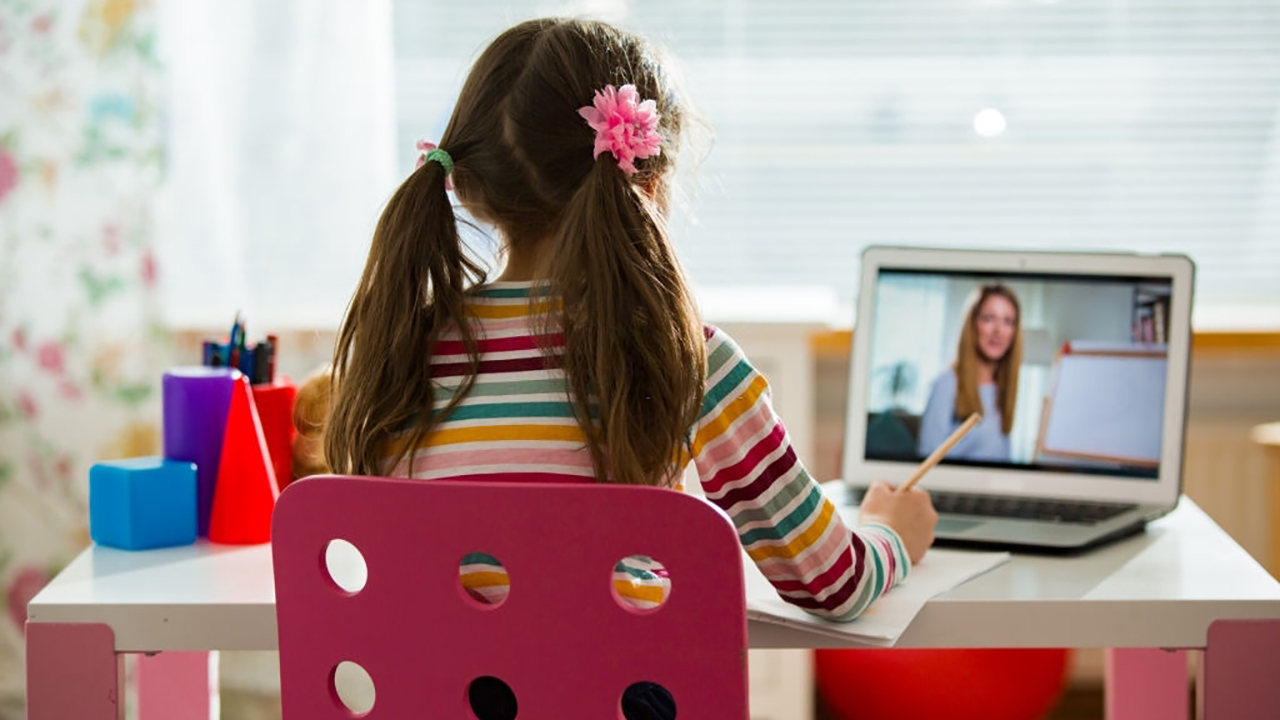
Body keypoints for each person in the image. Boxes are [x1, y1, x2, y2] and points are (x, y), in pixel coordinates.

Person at [305, 19, 937, 714]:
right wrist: (890, 534)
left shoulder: (400, 353)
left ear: (469, 185)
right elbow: (831, 584)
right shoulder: (683, 355)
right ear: (649, 175)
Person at [918, 284, 1024, 462]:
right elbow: (927, 459)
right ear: (973, 324)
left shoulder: (1003, 389)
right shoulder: (946, 384)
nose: (998, 330)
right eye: (989, 318)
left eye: (1008, 322)